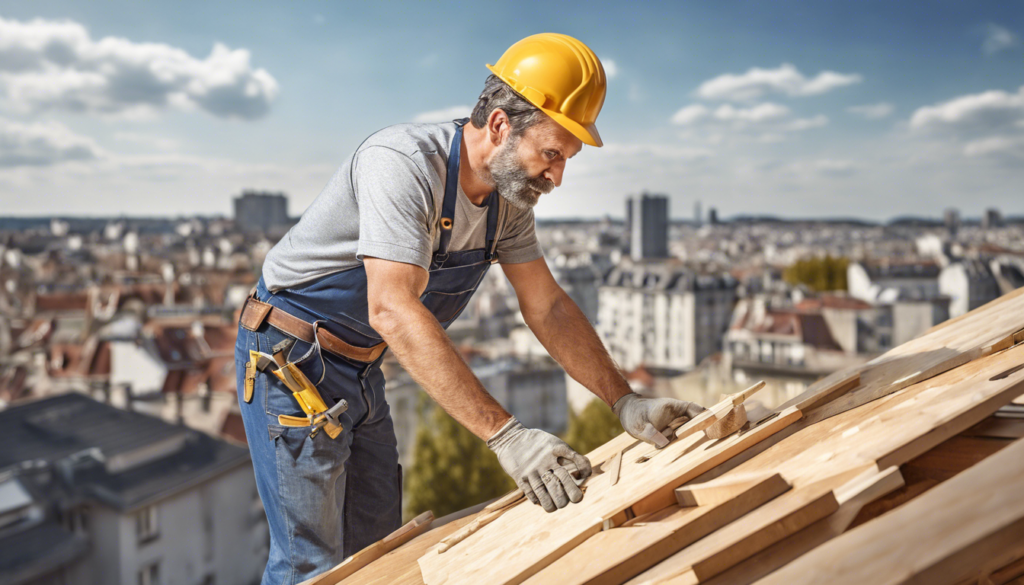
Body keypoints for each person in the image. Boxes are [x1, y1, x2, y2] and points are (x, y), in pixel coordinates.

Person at [234, 32, 705, 584]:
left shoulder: (508, 201)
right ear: (501, 124)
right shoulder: (404, 164)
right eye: (552, 153)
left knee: (379, 554)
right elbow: (391, 307)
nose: (557, 176)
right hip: (291, 364)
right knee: (310, 567)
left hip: (359, 369)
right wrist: (508, 436)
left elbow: (547, 306)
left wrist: (622, 401)